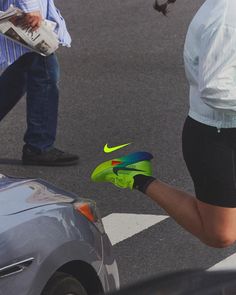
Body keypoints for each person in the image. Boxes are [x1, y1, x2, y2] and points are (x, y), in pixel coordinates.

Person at [91, 0, 236, 248]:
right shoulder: (226, 17)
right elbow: (215, 89)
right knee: (220, 234)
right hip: (216, 135)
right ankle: (135, 175)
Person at [0, 0, 79, 166]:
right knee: (44, 72)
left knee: (22, 70)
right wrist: (30, 8)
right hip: (25, 13)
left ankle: (39, 145)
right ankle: (39, 146)